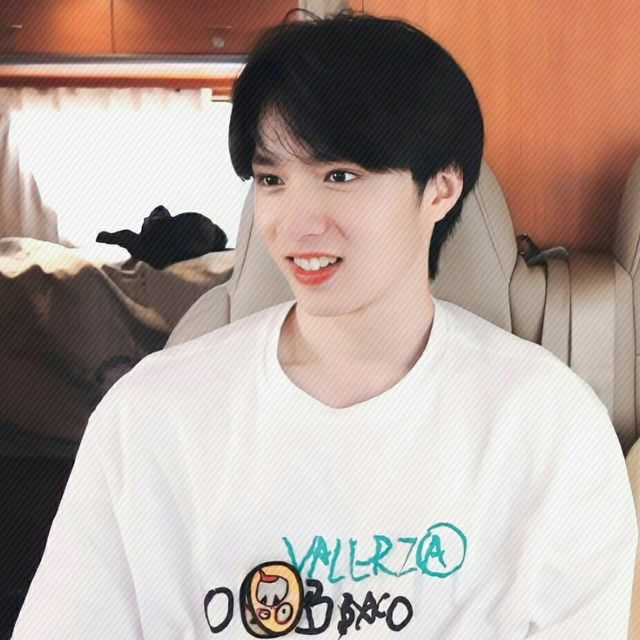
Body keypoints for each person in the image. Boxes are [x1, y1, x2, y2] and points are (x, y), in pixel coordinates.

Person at [12, 12, 637, 639]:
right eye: (272, 180)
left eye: (340, 176)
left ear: (441, 189)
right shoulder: (150, 416)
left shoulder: (551, 428)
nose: (294, 224)